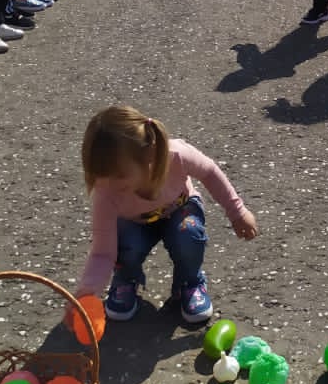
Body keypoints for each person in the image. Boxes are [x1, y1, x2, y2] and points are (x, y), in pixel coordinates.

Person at [75, 105, 259, 324]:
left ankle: (189, 282)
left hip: (179, 209)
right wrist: (87, 294)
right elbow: (102, 253)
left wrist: (237, 211)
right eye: (100, 176)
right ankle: (126, 279)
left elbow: (209, 172)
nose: (108, 184)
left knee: (189, 233)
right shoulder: (106, 191)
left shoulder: (176, 156)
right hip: (134, 222)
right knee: (124, 243)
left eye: (119, 176)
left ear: (150, 155)